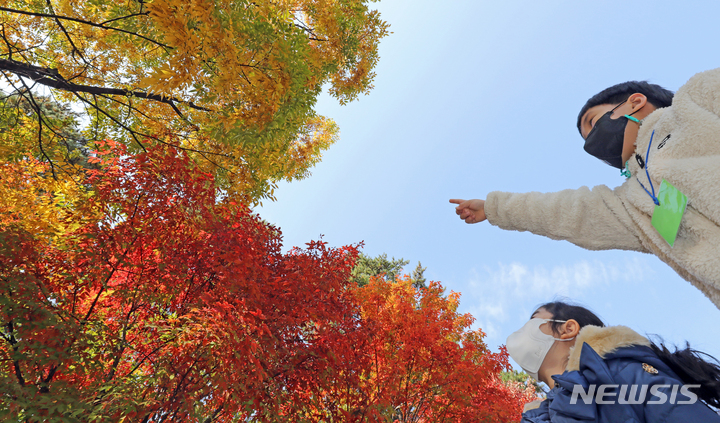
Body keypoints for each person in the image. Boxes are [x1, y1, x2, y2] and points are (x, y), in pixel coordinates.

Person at [450, 68, 720, 309]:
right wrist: (494, 208)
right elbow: (569, 212)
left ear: (635, 102)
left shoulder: (695, 101)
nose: (593, 141)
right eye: (587, 139)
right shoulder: (632, 204)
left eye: (592, 123)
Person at [507, 301, 720, 422]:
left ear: (568, 329)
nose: (524, 328)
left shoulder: (622, 373)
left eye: (534, 319)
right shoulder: (537, 417)